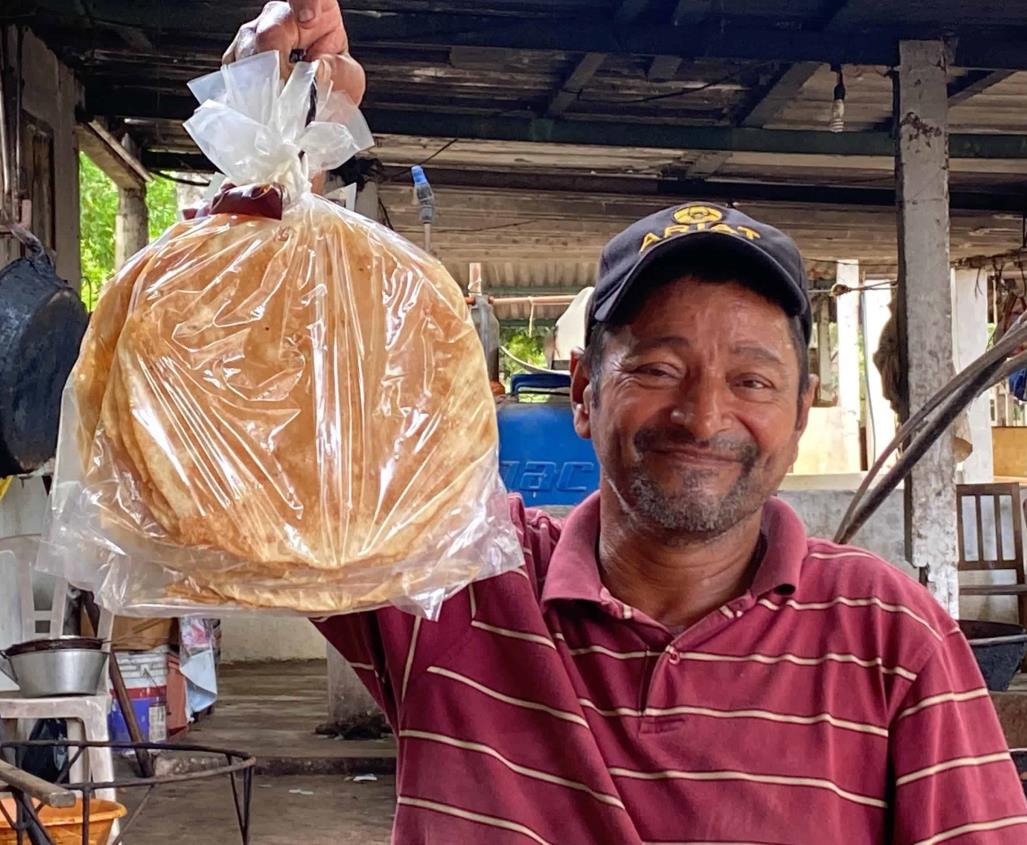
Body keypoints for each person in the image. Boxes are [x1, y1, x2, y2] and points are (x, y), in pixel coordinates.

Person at [226, 5, 1027, 842]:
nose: (703, 414)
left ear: (798, 410)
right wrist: (263, 161)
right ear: (582, 392)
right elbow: (245, 440)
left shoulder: (890, 635)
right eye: (655, 367)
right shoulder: (454, 578)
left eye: (750, 378)